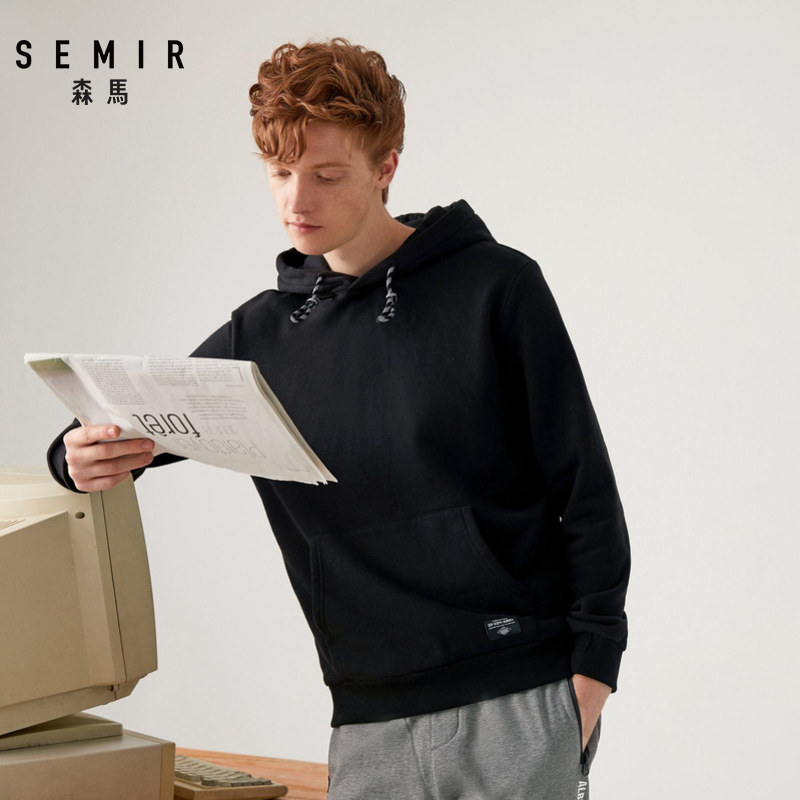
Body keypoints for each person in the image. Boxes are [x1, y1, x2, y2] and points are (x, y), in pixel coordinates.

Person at [47, 38, 631, 799]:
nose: (298, 202)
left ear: (386, 167)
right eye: (280, 173)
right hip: (366, 715)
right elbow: (120, 423)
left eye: (326, 176)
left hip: (517, 693)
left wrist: (593, 673)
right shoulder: (263, 336)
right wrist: (75, 457)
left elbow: (583, 485)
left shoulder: (496, 287)